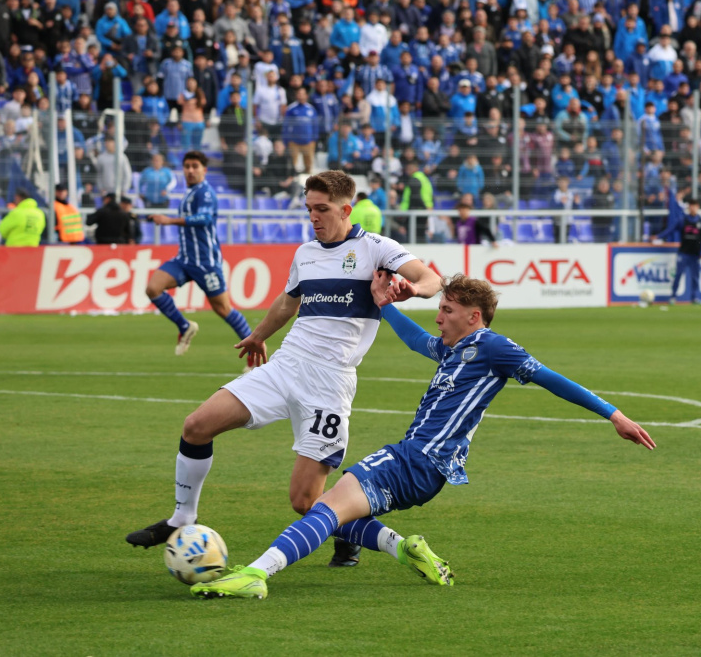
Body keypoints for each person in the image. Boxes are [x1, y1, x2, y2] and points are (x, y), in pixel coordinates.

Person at [190, 272, 655, 598]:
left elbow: (552, 378)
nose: (439, 317)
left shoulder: (494, 346)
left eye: (447, 310)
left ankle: (256, 573)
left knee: (325, 506)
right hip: (419, 462)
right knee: (324, 507)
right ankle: (404, 547)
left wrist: (612, 414)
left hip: (420, 459)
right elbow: (416, 341)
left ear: (474, 316)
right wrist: (385, 306)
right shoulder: (456, 348)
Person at [126, 171, 442, 568]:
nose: (313, 216)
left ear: (346, 209)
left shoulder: (375, 248)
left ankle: (391, 543)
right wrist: (258, 335)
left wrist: (414, 290)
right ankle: (182, 518)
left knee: (307, 502)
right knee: (196, 425)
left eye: (322, 209)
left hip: (330, 384)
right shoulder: (305, 252)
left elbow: (432, 278)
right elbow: (287, 302)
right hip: (286, 367)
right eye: (309, 208)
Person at [143, 151, 253, 361]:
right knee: (153, 288)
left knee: (223, 309)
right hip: (184, 260)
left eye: (195, 166)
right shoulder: (190, 193)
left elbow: (203, 218)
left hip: (205, 263)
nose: (190, 170)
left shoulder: (206, 192)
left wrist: (169, 221)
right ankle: (185, 326)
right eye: (187, 166)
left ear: (204, 170)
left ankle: (253, 349)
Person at [659, 196, 701, 305]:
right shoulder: (683, 220)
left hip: (695, 254)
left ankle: (694, 297)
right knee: (678, 275)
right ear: (689, 207)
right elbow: (670, 230)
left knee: (695, 277)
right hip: (684, 252)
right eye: (691, 206)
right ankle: (673, 297)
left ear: (698, 207)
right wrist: (658, 236)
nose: (693, 208)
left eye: (695, 206)